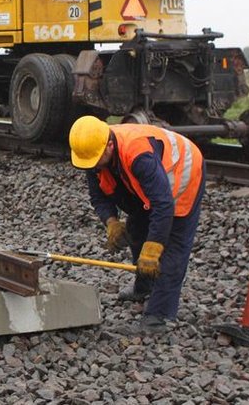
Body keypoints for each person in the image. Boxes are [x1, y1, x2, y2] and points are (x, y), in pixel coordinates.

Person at [68, 115, 206, 335]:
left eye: (95, 162)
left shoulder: (138, 154)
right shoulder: (93, 150)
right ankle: (144, 288)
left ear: (109, 146)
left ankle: (158, 316)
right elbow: (99, 198)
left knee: (172, 247)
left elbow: (163, 205)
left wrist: (153, 249)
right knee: (137, 230)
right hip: (150, 186)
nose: (92, 168)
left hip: (183, 175)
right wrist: (111, 222)